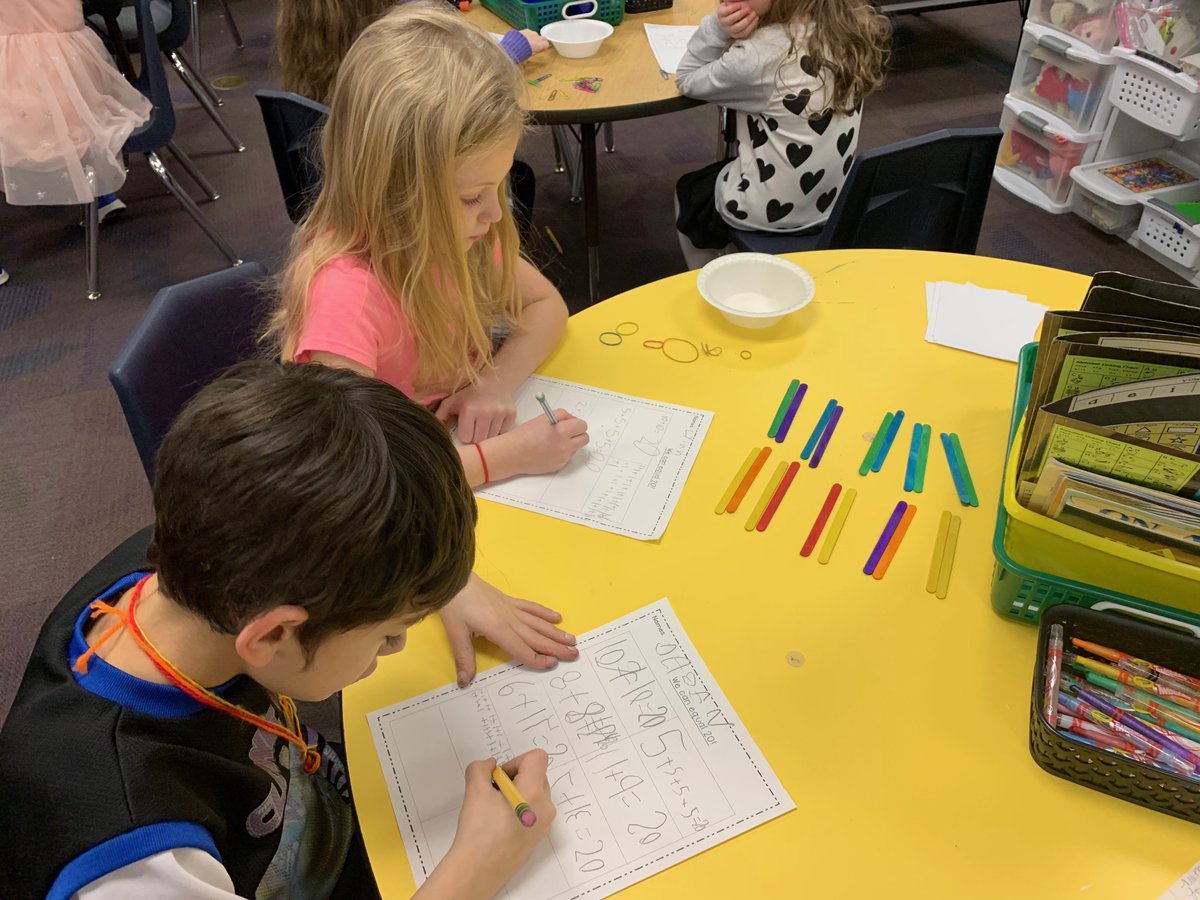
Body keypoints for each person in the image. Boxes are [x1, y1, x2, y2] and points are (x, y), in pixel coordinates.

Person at [0, 360, 557, 899]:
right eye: (389, 635)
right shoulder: (137, 860)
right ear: (271, 637)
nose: (398, 646)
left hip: (324, 808)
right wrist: (476, 869)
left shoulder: (204, 552)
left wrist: (429, 584)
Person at [269, 3, 587, 490]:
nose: (495, 214)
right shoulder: (345, 299)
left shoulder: (459, 234)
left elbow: (546, 304)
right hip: (404, 490)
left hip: (438, 451)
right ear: (394, 191)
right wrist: (504, 457)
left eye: (497, 187)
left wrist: (493, 381)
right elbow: (357, 480)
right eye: (471, 197)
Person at [673, 0, 891, 269]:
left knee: (689, 193)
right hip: (835, 205)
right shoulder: (850, 30)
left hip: (765, 214)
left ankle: (706, 279)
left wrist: (717, 30)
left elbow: (686, 77)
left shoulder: (758, 55)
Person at [0, 0, 148, 221]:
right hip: (68, 71)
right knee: (74, 118)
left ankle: (95, 189)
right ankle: (99, 191)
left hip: (36, 84)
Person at [274, 0, 550, 106]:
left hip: (338, 190)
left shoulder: (308, 43)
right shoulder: (381, 69)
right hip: (404, 198)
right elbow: (452, 97)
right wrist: (507, 53)